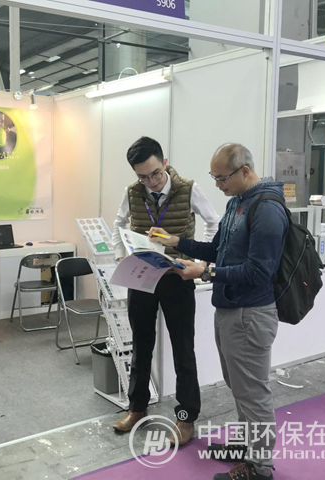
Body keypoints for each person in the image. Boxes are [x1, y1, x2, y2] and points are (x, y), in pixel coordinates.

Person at [151, 143, 288, 480]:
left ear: (245, 171)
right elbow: (217, 249)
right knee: (239, 386)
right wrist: (177, 242)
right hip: (229, 309)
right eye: (214, 177)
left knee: (253, 392)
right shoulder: (237, 202)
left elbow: (259, 271)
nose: (217, 184)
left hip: (251, 313)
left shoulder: (267, 209)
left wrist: (206, 272)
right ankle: (246, 446)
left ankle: (260, 468)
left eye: (222, 178)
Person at [111, 136, 220, 447]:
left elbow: (213, 223)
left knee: (183, 349)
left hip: (177, 278)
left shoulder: (188, 189)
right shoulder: (132, 192)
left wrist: (199, 261)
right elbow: (118, 223)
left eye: (155, 174)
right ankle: (137, 407)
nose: (151, 182)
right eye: (143, 177)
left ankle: (186, 419)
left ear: (165, 163)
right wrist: (120, 255)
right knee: (141, 345)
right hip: (142, 275)